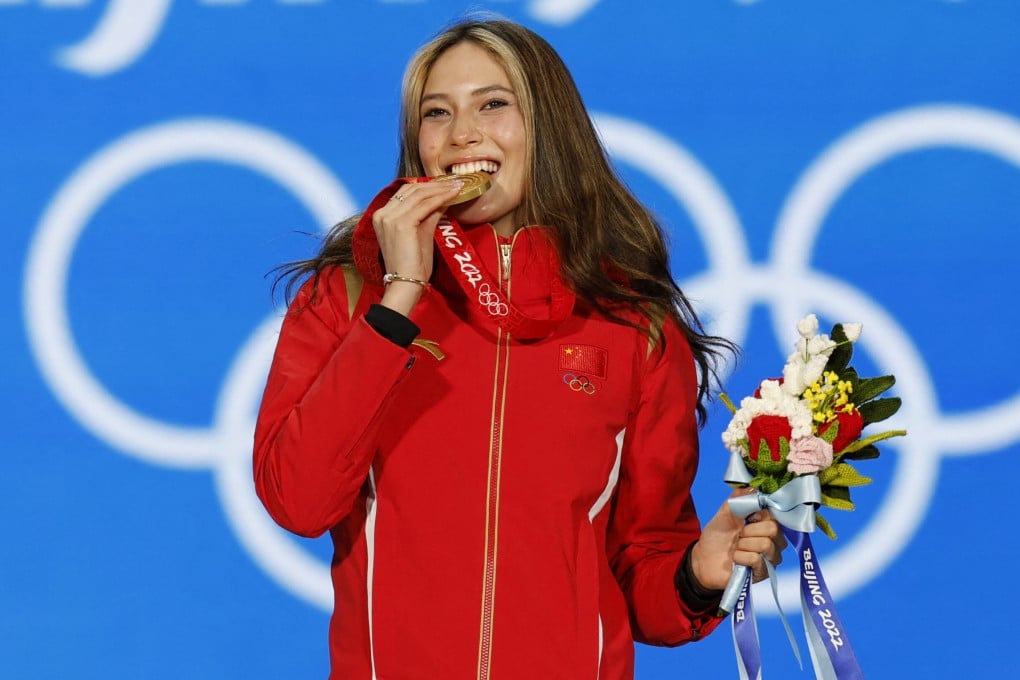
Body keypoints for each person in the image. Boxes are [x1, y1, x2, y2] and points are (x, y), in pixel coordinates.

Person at [254, 17, 785, 679]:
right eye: (436, 113)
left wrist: (698, 574)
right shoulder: (350, 295)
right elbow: (298, 502)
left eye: (493, 105)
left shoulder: (632, 326)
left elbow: (642, 572)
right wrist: (400, 298)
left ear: (550, 129)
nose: (461, 135)